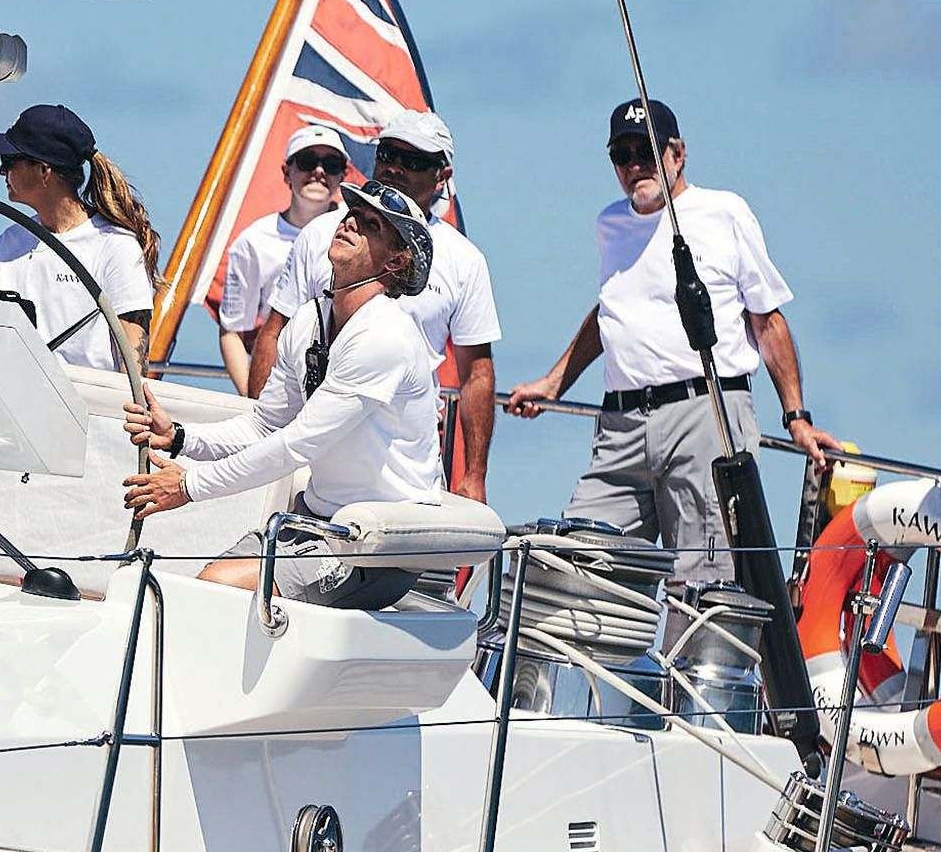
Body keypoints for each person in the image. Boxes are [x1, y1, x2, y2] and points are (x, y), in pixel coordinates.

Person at [503, 99, 843, 589]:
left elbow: (767, 321)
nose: (634, 164)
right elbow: (612, 311)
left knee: (702, 588)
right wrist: (554, 382)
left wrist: (796, 418)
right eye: (622, 154)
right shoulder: (610, 225)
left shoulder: (724, 212)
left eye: (646, 150)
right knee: (575, 565)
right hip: (620, 427)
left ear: (677, 154)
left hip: (704, 414)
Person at [122, 181, 443, 609]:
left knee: (217, 590)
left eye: (370, 226)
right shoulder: (307, 322)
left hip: (375, 546)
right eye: (351, 214)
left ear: (395, 260)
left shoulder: (384, 336)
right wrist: (182, 439)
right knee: (199, 590)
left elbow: (296, 443)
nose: (349, 223)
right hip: (313, 525)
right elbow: (265, 424)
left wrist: (188, 485)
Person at [246, 110, 499, 502]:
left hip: (393, 453)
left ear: (442, 176)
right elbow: (275, 331)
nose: (395, 168)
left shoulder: (466, 261)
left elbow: (476, 374)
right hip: (308, 439)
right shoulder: (322, 234)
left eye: (414, 161)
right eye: (387, 154)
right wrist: (262, 432)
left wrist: (475, 475)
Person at [0, 104, 159, 373]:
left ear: (43, 171)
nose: (1, 172)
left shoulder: (116, 247)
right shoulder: (8, 244)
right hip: (22, 401)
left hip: (94, 407)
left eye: (8, 162)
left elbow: (133, 362)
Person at [208, 123, 347, 392]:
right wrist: (253, 402)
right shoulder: (252, 243)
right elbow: (232, 330)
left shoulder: (361, 234)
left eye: (330, 164)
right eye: (307, 162)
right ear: (287, 172)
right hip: (279, 386)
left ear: (343, 175)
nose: (319, 172)